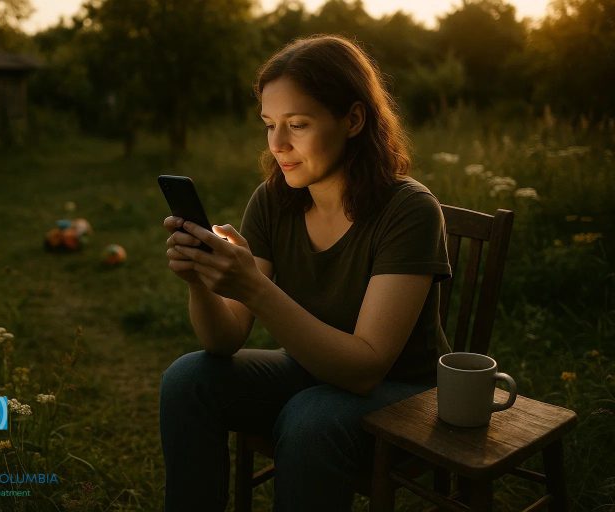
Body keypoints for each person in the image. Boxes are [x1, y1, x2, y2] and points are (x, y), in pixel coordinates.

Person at [159, 34, 451, 511]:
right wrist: (202, 282)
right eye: (269, 125)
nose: (277, 144)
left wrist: (254, 286)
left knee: (310, 416)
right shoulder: (275, 201)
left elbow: (364, 369)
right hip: (312, 370)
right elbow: (224, 339)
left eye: (297, 124)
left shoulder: (409, 210)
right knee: (188, 378)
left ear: (353, 119)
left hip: (403, 392)